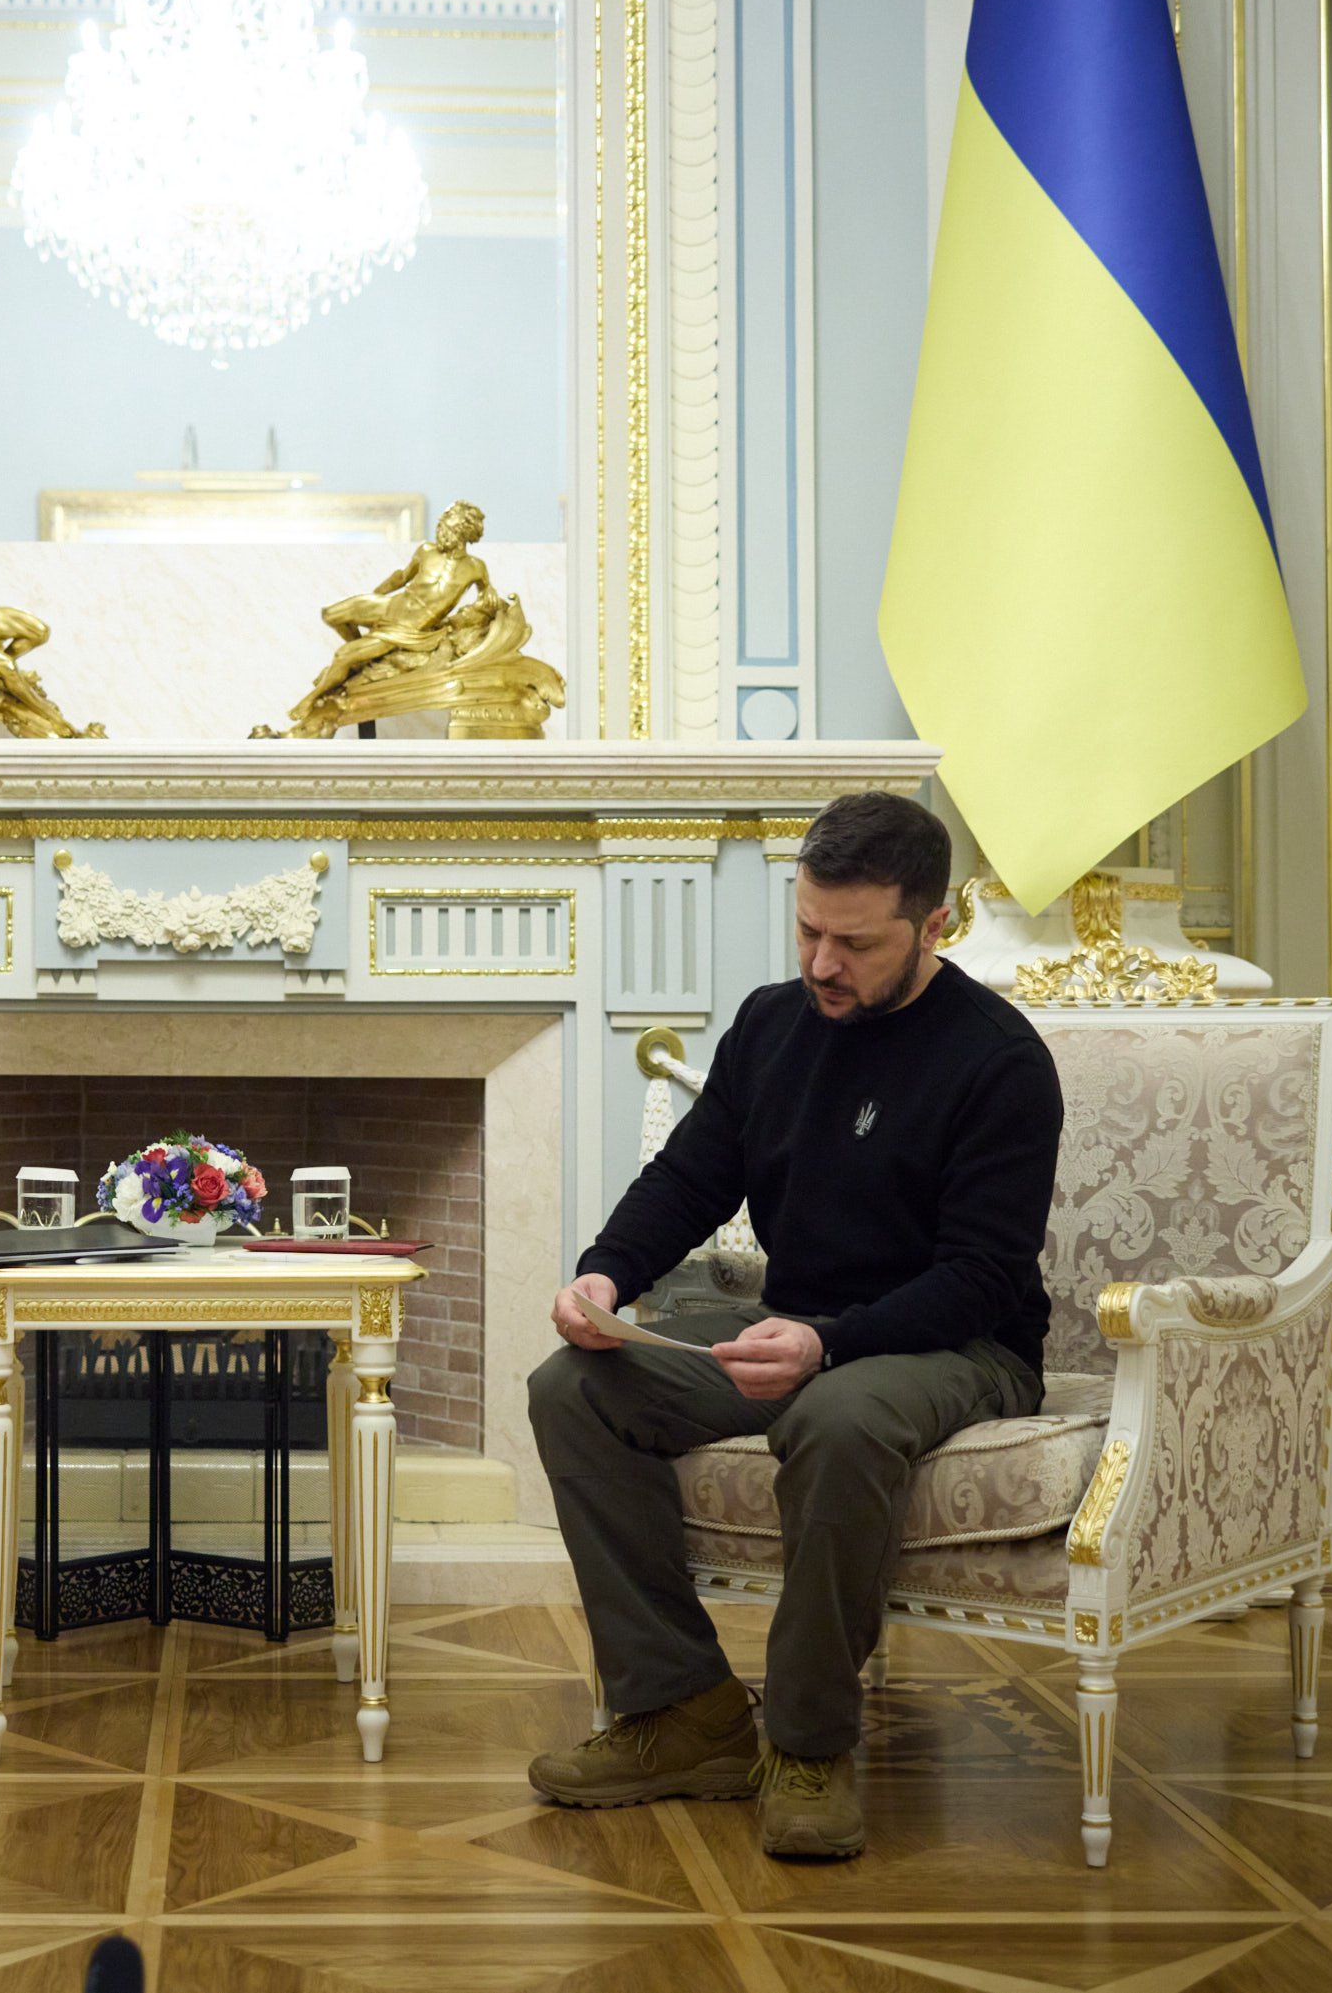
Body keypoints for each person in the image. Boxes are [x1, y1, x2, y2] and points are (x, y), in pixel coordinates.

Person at [523, 791, 1061, 1860]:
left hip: (960, 1343)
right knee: (573, 1387)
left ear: (934, 925)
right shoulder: (771, 1025)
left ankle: (811, 1744)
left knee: (839, 1418)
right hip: (797, 1324)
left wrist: (828, 1346)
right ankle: (685, 1711)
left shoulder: (999, 1061)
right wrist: (603, 1277)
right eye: (808, 929)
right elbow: (688, 1178)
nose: (822, 963)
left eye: (855, 944)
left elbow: (981, 1275)